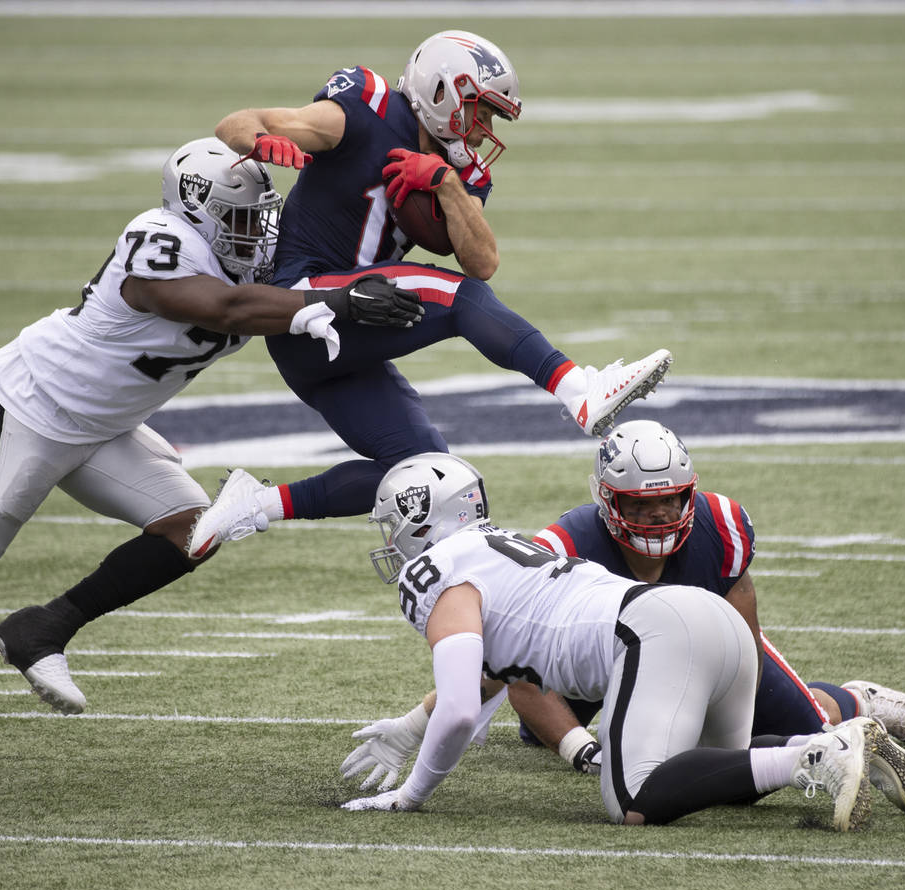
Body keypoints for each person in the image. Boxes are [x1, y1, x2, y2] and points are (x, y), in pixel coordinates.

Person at [0, 137, 422, 791]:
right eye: (239, 216)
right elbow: (219, 307)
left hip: (105, 425)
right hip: (33, 404)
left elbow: (316, 272)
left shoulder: (256, 254)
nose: (254, 230)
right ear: (196, 209)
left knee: (193, 529)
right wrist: (332, 305)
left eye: (259, 215)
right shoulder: (158, 238)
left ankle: (43, 626)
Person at [189, 30, 672, 559]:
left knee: (423, 470)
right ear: (442, 93)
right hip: (302, 305)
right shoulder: (365, 108)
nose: (485, 129)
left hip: (353, 327)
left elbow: (483, 260)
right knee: (458, 299)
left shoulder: (460, 168)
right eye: (479, 111)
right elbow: (234, 124)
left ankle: (256, 503)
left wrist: (444, 182)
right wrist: (261, 141)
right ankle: (578, 389)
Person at [341, 421, 905, 815]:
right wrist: (411, 725)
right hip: (703, 623)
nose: (393, 542)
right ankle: (837, 745)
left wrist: (411, 795)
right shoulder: (505, 550)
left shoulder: (438, 573)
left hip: (654, 634)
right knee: (720, 782)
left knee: (638, 799)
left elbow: (463, 707)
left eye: (395, 525)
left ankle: (813, 752)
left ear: (421, 521)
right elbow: (498, 670)